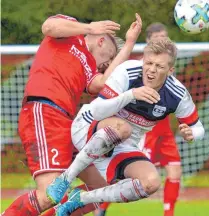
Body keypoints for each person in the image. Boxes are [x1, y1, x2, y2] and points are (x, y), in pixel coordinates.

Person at [3, 13, 142, 216]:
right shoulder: (71, 31)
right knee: (49, 194)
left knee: (102, 189)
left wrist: (130, 43)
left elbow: (101, 84)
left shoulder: (88, 67)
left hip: (67, 123)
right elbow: (49, 27)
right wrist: (91, 27)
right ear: (101, 41)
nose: (107, 64)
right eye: (110, 57)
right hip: (44, 111)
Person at [46, 38, 205, 216]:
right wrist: (131, 95)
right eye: (148, 63)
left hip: (121, 146)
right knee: (123, 128)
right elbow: (98, 110)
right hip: (86, 128)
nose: (151, 70)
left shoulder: (177, 94)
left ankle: (81, 199)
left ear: (170, 70)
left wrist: (192, 133)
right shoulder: (128, 71)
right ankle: (65, 179)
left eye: (159, 66)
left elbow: (198, 128)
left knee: (151, 182)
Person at [96, 22, 181, 216]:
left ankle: (169, 214)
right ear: (148, 41)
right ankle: (101, 205)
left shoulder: (167, 68)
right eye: (158, 39)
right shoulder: (139, 69)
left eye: (165, 38)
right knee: (128, 174)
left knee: (175, 171)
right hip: (145, 131)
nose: (163, 42)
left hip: (165, 132)